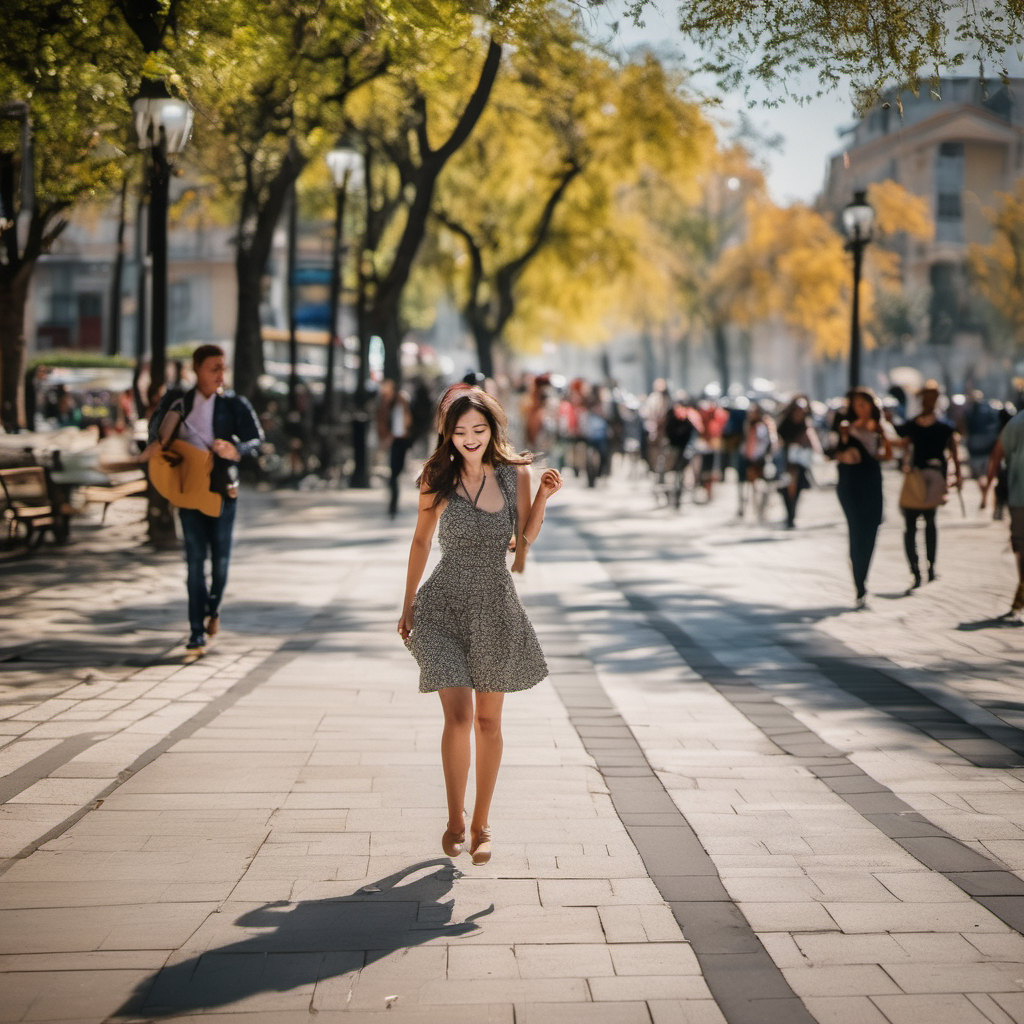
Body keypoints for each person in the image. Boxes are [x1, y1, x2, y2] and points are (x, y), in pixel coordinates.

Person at [398, 384, 562, 866]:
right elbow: (421, 542)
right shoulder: (437, 476)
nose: (470, 438)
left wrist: (544, 499)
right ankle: (454, 818)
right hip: (443, 605)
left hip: (494, 606)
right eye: (461, 431)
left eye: (479, 429)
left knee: (489, 721)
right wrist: (407, 603)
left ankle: (481, 824)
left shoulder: (517, 475)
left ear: (492, 429)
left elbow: (522, 541)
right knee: (459, 717)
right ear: (447, 434)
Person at [142, 344, 263, 654]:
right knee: (195, 562)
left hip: (222, 490)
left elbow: (256, 439)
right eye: (214, 368)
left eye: (223, 367)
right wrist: (165, 434)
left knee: (220, 561)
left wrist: (236, 450)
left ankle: (213, 607)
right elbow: (157, 433)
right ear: (196, 369)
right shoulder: (178, 400)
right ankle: (196, 630)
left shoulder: (235, 404)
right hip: (187, 488)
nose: (220, 374)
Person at [894, 382, 962, 589]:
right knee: (915, 525)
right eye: (926, 397)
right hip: (918, 477)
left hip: (932, 478)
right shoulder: (916, 425)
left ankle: (927, 569)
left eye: (932, 397)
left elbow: (954, 452)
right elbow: (902, 442)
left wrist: (957, 476)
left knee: (926, 523)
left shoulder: (943, 426)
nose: (928, 401)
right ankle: (917, 570)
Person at [833, 388, 892, 607]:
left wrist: (883, 435)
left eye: (864, 403)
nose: (861, 408)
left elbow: (887, 455)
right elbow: (836, 452)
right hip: (850, 482)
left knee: (872, 527)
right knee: (856, 530)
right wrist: (846, 455)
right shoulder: (846, 427)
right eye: (857, 404)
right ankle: (859, 583)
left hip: (872, 480)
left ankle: (862, 573)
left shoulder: (880, 429)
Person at [985, 406, 1024, 617]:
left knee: (1021, 545)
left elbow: (996, 455)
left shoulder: (1016, 422)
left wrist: (987, 491)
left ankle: (1022, 587)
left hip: (1019, 496)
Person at [776, 396, 822, 529]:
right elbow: (779, 438)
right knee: (786, 487)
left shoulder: (806, 423)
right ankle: (789, 515)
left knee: (798, 488)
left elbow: (812, 439)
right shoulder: (785, 423)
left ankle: (792, 515)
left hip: (801, 460)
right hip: (787, 460)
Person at [377, 379, 413, 518]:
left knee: (396, 472)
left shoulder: (402, 401)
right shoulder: (384, 404)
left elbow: (408, 420)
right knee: (393, 473)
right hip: (393, 440)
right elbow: (382, 423)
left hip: (402, 440)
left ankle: (393, 499)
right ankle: (393, 503)